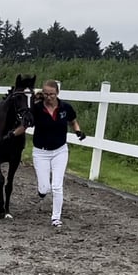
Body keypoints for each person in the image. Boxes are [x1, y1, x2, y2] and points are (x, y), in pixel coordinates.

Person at [30, 79, 86, 228]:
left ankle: (56, 218)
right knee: (44, 188)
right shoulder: (37, 109)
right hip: (40, 152)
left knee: (57, 185)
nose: (49, 97)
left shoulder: (65, 108)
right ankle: (42, 191)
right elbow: (25, 122)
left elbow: (73, 121)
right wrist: (13, 134)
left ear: (57, 93)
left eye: (52, 94)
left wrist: (78, 131)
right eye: (46, 94)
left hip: (60, 151)